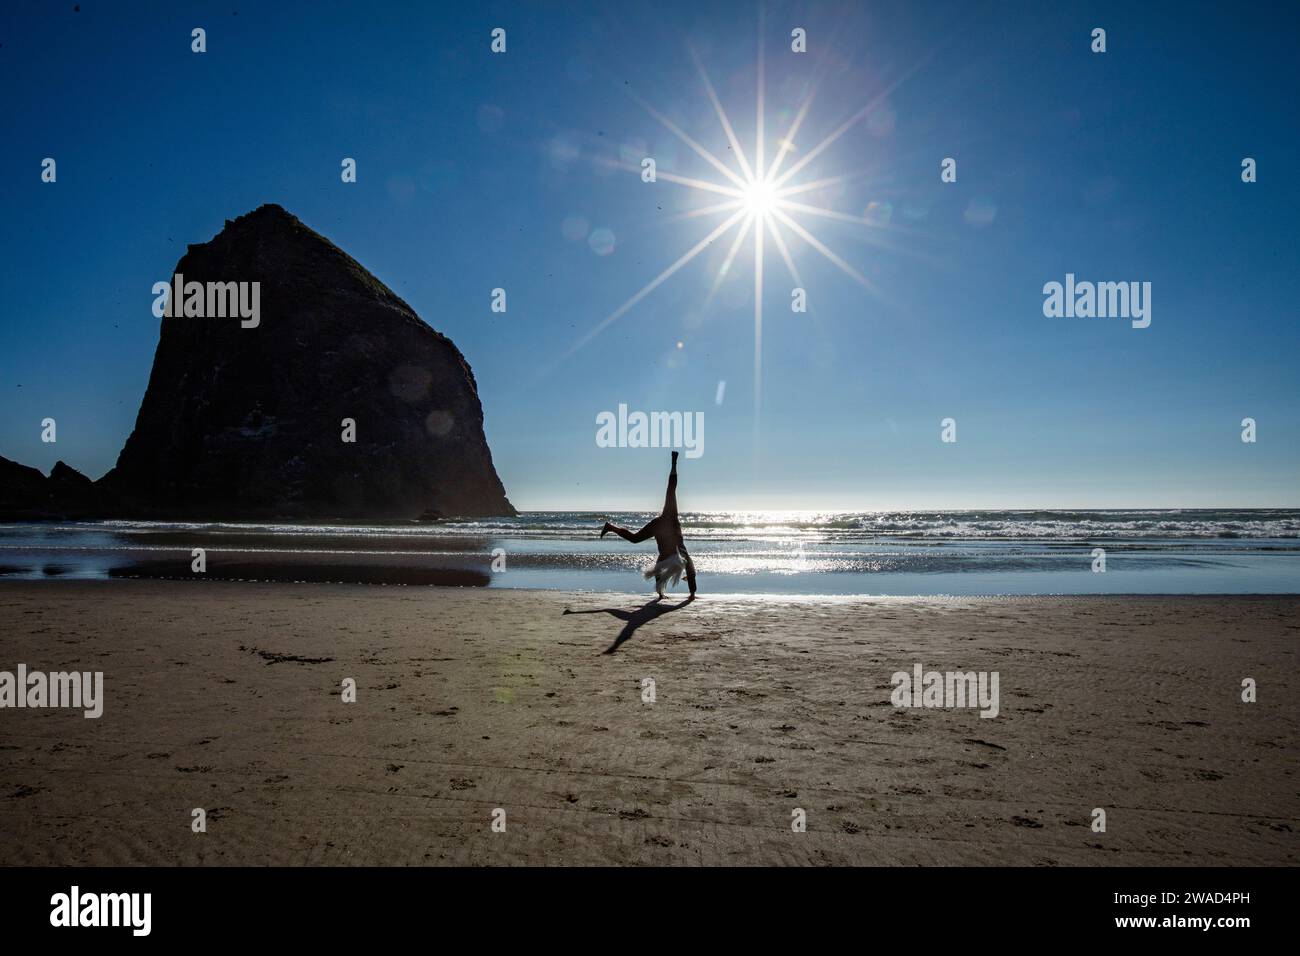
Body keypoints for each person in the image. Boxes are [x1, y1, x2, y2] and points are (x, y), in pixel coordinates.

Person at [601, 452, 697, 599]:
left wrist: (674, 463)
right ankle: (681, 594)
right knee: (685, 568)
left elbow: (671, 488)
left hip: (659, 526)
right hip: (665, 525)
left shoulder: (672, 549)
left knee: (635, 539)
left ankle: (610, 527)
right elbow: (671, 487)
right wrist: (673, 463)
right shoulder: (672, 519)